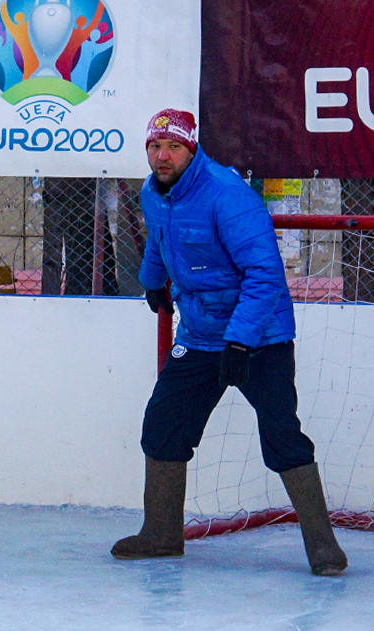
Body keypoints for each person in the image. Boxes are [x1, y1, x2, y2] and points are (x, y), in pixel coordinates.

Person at [111, 109, 348, 577]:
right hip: (199, 335)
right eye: (155, 147)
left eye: (173, 147)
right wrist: (152, 280)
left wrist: (240, 343)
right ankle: (161, 534)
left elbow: (264, 273)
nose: (163, 156)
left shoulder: (226, 195)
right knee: (163, 423)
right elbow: (159, 241)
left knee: (281, 436)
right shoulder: (152, 193)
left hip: (259, 337)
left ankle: (324, 548)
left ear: (192, 149)